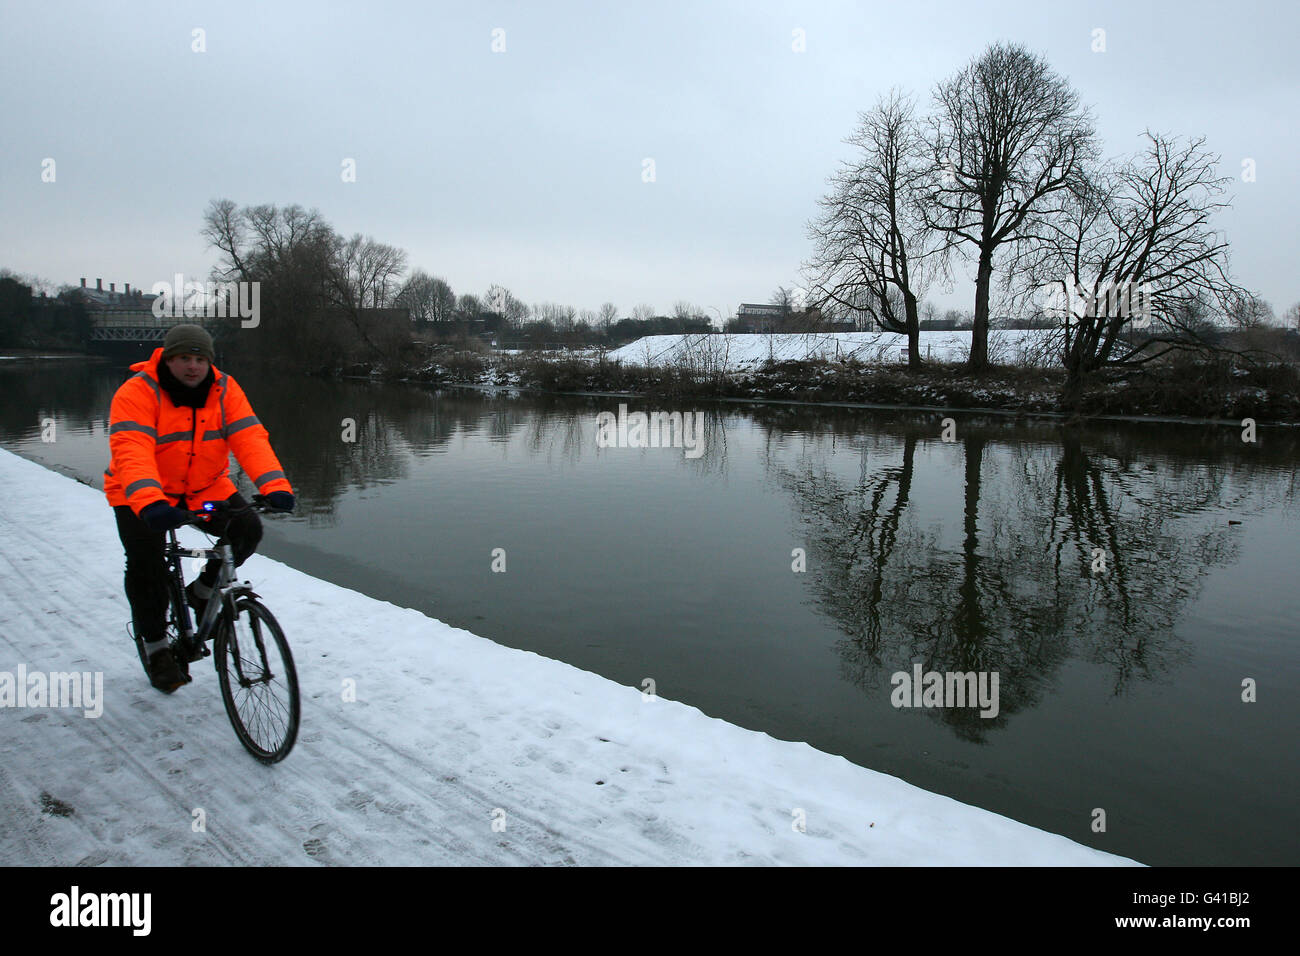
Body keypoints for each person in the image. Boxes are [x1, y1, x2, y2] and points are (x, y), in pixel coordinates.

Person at [104, 324, 294, 692]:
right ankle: (157, 649)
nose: (193, 367)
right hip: (140, 492)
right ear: (168, 359)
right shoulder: (137, 392)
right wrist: (150, 501)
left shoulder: (224, 389)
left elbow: (249, 437)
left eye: (200, 359)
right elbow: (132, 450)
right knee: (147, 566)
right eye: (184, 359)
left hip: (204, 489)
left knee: (246, 530)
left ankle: (201, 592)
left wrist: (275, 486)